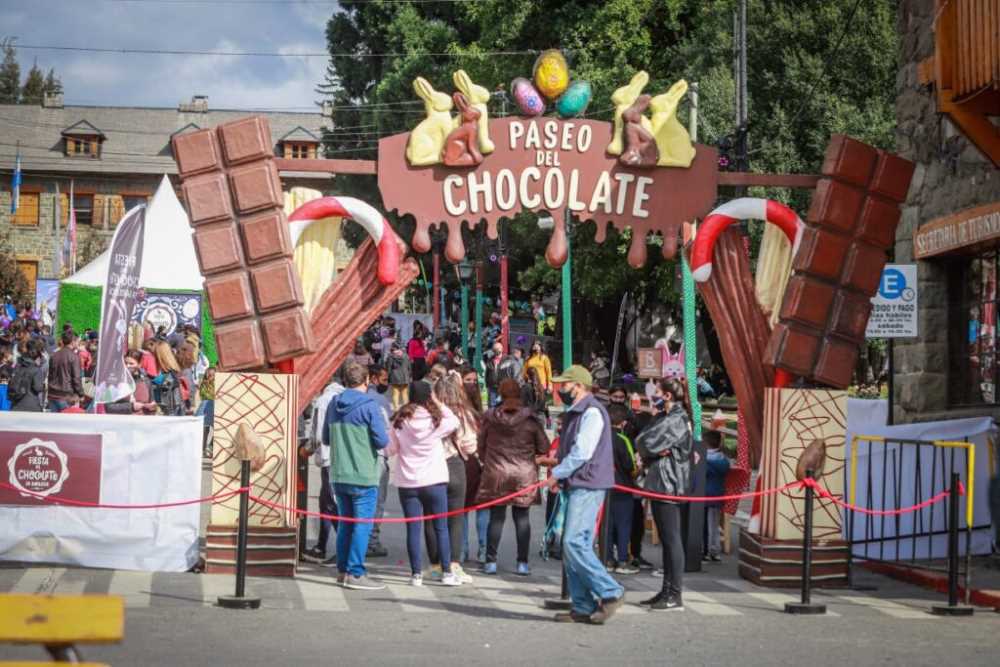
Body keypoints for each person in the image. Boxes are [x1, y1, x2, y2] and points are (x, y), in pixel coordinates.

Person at [547, 365, 625, 624]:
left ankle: (610, 590)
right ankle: (582, 605)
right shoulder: (578, 412)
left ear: (578, 386)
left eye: (564, 384)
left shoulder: (591, 412)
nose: (560, 389)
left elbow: (582, 452)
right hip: (579, 481)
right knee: (572, 546)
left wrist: (558, 473)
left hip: (588, 482)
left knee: (573, 543)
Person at [386, 380, 462, 587]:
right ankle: (447, 572)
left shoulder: (400, 421)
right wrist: (438, 403)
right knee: (441, 528)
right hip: (434, 479)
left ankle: (416, 575)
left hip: (408, 481)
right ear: (429, 396)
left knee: (413, 528)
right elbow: (454, 421)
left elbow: (390, 449)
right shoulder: (435, 420)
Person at [323, 361, 389, 590]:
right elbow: (382, 440)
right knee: (362, 525)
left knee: (346, 524)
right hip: (363, 473)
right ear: (367, 380)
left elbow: (326, 438)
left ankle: (343, 570)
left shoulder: (333, 403)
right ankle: (355, 572)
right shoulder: (370, 406)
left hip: (339, 472)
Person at [477, 378, 550, 576]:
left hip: (497, 472)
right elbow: (544, 446)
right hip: (523, 473)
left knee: (497, 517)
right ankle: (522, 563)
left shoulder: (490, 417)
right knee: (522, 517)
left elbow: (480, 446)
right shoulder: (530, 419)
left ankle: (491, 561)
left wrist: (489, 462)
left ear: (500, 393)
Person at [636, 377, 693, 611]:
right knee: (667, 541)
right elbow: (644, 441)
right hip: (660, 481)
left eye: (657, 391)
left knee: (671, 539)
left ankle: (675, 593)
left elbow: (646, 442)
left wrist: (654, 450)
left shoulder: (677, 419)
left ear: (668, 395)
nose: (654, 395)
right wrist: (654, 451)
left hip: (670, 483)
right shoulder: (664, 417)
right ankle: (666, 589)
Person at [426, 372, 478, 583]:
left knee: (431, 517)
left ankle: (437, 564)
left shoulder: (428, 413)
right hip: (455, 466)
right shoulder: (464, 414)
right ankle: (454, 564)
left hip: (430, 467)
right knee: (455, 517)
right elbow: (470, 444)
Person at [301, 377, 344, 565]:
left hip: (329, 459)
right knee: (325, 504)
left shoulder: (324, 400)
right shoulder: (344, 396)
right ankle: (320, 546)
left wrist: (306, 450)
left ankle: (344, 549)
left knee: (332, 506)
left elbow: (318, 435)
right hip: (342, 458)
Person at [606, 403, 640, 575]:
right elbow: (631, 465)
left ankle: (607, 559)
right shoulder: (623, 439)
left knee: (607, 524)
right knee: (624, 524)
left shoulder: (600, 438)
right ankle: (622, 560)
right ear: (623, 423)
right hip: (623, 487)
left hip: (604, 487)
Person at [366, 364, 392, 559]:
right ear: (373, 378)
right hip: (378, 457)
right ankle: (372, 542)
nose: (387, 383)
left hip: (358, 458)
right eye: (384, 380)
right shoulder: (380, 400)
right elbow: (386, 433)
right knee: (377, 502)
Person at [703, 430, 730, 562]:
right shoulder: (723, 460)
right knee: (714, 525)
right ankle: (714, 550)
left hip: (703, 496)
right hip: (717, 496)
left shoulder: (703, 460)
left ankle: (705, 550)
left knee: (703, 525)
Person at [47, 330, 83, 412]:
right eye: (77, 341)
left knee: (54, 423)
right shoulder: (74, 357)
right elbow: (76, 378)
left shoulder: (54, 355)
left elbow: (50, 375)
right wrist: (81, 394)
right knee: (67, 423)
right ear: (73, 342)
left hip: (53, 394)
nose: (78, 344)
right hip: (66, 396)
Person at [9, 339, 46, 412]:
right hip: (31, 406)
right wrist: (44, 386)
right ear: (35, 353)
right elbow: (38, 388)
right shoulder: (35, 369)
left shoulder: (17, 364)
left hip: (15, 404)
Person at [151, 341, 185, 416]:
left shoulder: (166, 377)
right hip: (174, 415)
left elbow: (161, 400)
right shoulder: (173, 373)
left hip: (168, 417)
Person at [386, 344, 412, 410]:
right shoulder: (406, 356)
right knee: (405, 394)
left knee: (395, 394)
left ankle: (396, 410)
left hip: (394, 377)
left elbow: (388, 368)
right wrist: (409, 375)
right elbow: (409, 367)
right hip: (405, 377)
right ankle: (406, 409)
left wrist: (388, 377)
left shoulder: (390, 357)